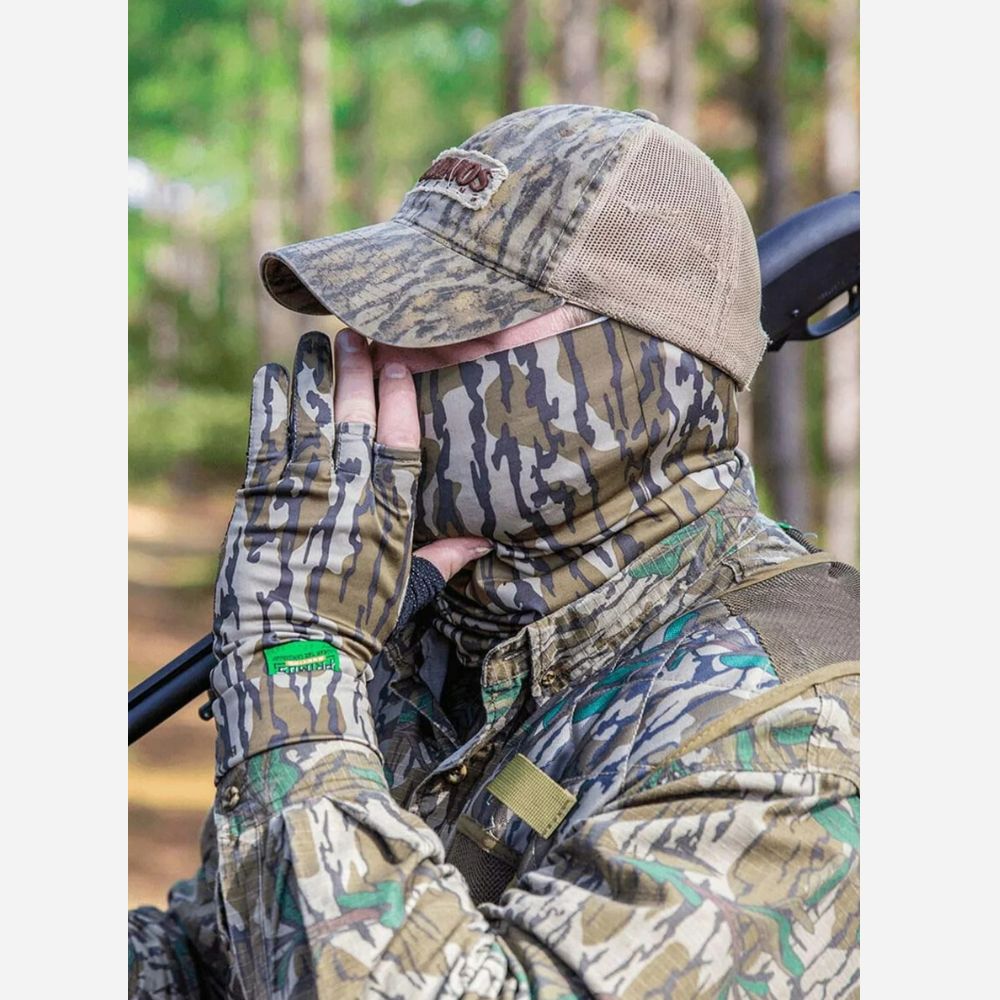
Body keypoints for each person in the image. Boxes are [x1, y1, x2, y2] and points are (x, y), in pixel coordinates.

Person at [128, 104, 859, 999]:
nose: (367, 364)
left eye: (435, 323)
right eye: (369, 324)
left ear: (621, 375)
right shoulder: (431, 619)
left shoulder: (801, 727)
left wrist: (294, 663)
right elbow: (224, 959)